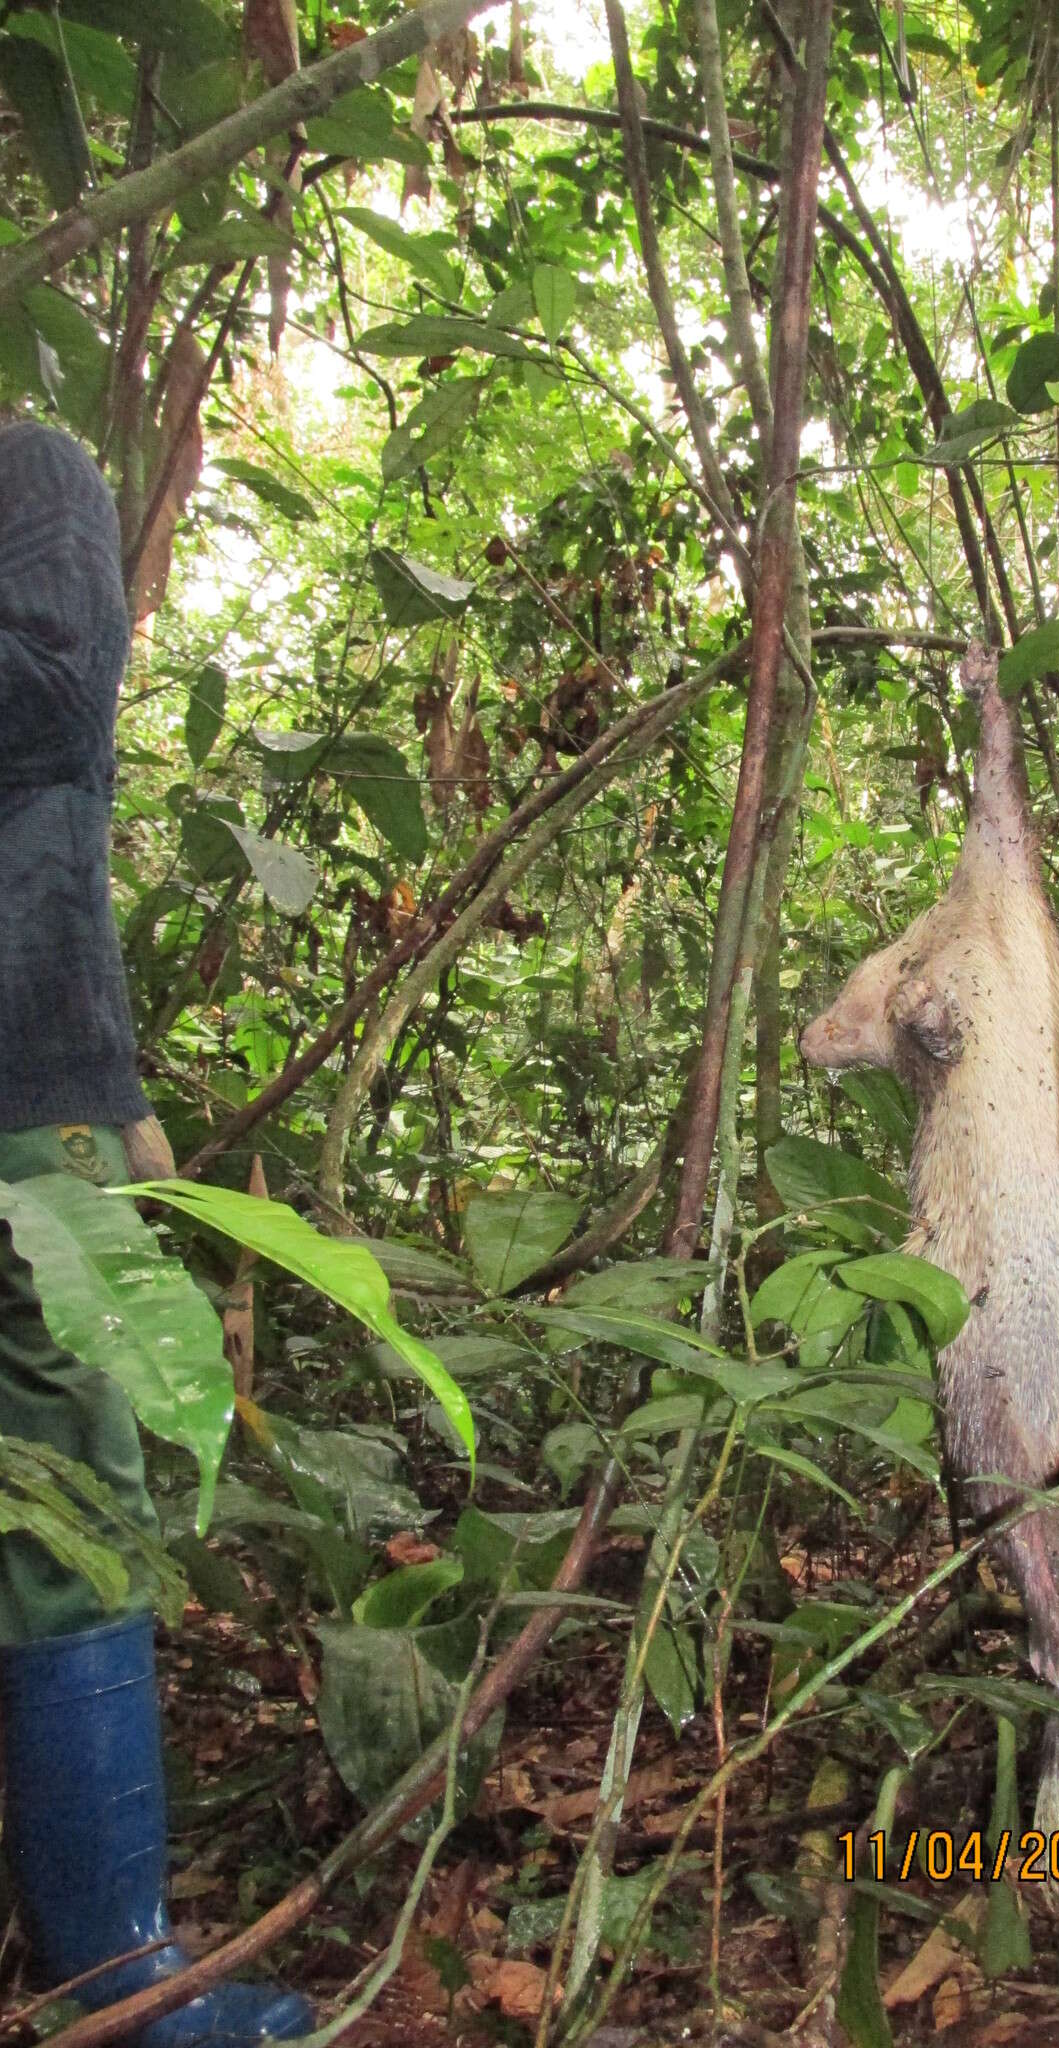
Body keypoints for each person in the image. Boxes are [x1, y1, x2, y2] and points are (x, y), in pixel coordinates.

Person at [0, 420, 312, 2044]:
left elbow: (51, 705)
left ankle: (115, 1975)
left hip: (21, 1076)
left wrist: (116, 1099)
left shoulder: (28, 471)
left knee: (67, 1491)